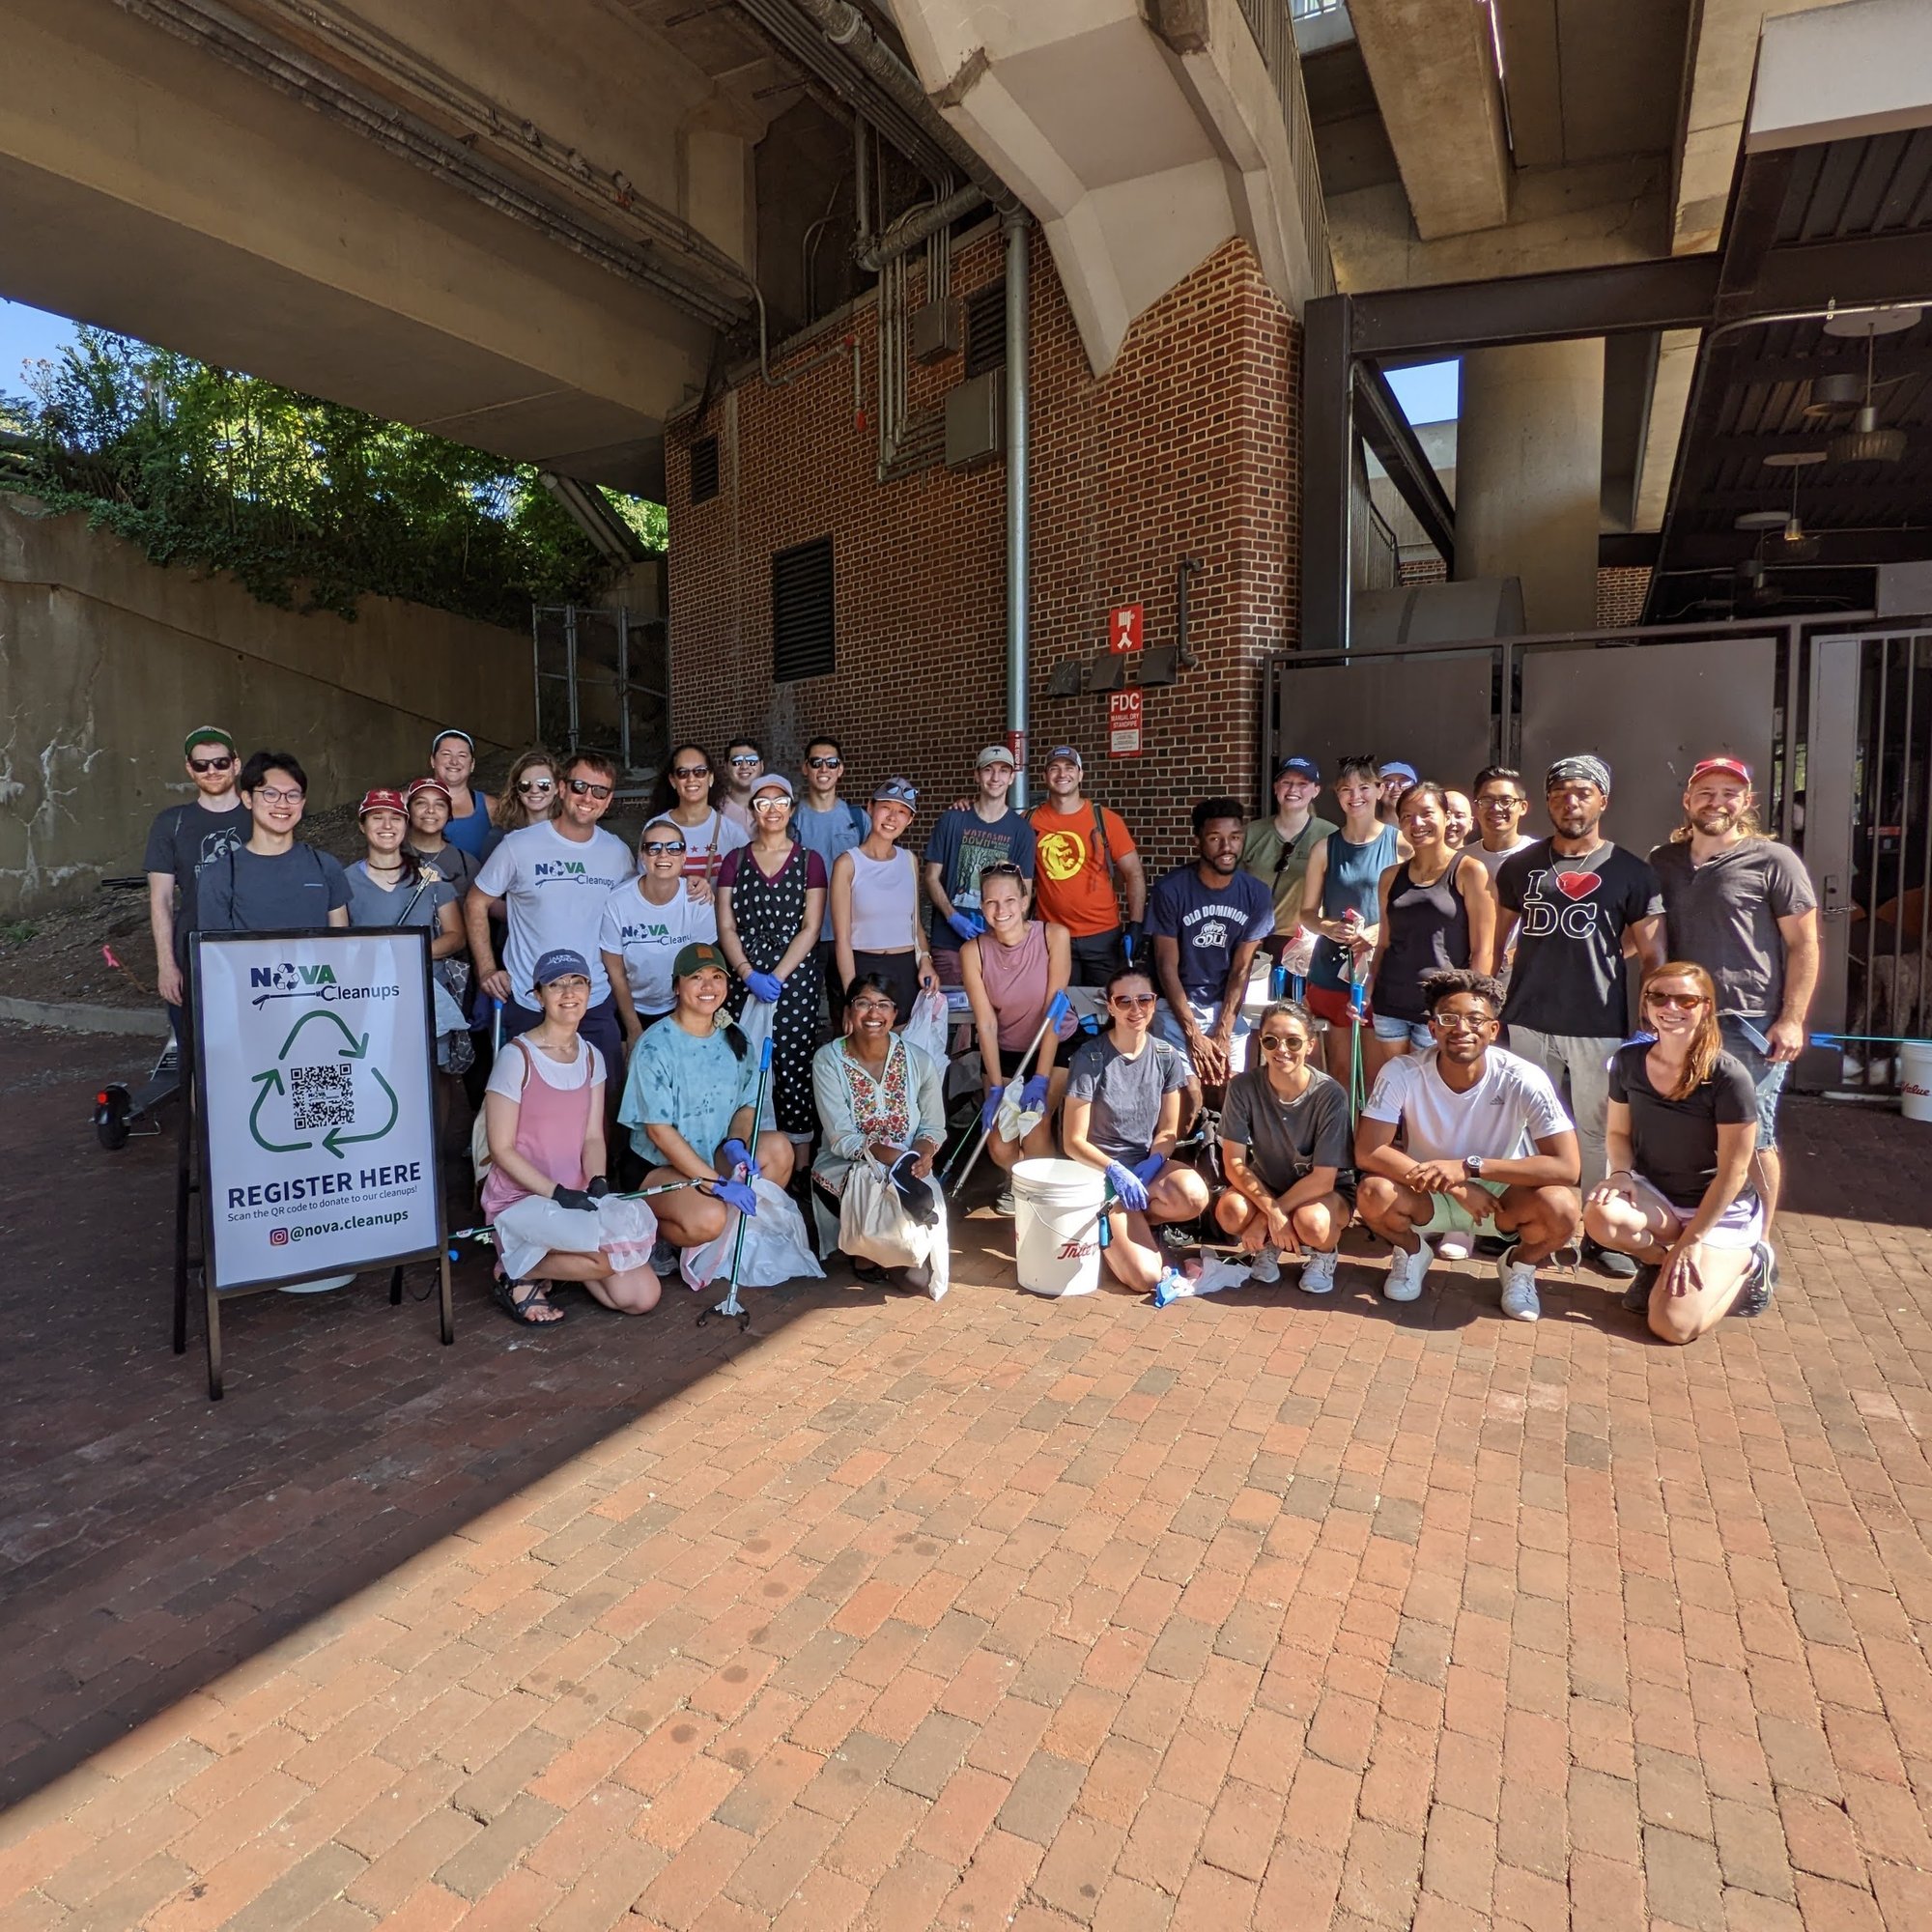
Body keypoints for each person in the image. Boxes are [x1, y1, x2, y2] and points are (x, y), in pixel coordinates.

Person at [1492, 755, 1665, 1279]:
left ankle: (1597, 1231)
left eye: (1583, 792)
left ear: (1603, 800)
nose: (1572, 802)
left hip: (1598, 1023)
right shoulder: (1521, 867)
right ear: (1547, 802)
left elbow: (1652, 952)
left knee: (1596, 1130)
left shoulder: (1632, 872)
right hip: (1526, 1016)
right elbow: (1496, 944)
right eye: (1561, 793)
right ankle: (1519, 1218)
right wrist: (1488, 1003)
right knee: (1522, 1124)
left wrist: (1650, 1017)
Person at [1650, 755, 1818, 1247]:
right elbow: (1646, 933)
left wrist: (1791, 1019)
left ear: (1746, 802)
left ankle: (1758, 1246)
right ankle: (1687, 1237)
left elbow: (1803, 944)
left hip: (1749, 1025)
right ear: (1687, 801)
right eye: (1705, 792)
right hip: (1680, 1019)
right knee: (1686, 1134)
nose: (1716, 802)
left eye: (1729, 793)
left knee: (1753, 1135)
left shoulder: (1774, 859)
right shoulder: (1664, 860)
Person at [1355, 970, 1582, 1321]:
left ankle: (1519, 1266)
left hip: (1501, 1195)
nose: (1461, 1029)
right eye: (1448, 1019)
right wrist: (1457, 1185)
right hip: (1425, 1185)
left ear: (1493, 1030)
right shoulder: (1402, 1071)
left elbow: (1567, 1167)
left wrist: (1470, 1168)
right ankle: (1413, 1252)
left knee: (1563, 1208)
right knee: (1373, 1193)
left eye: (1475, 1019)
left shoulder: (1524, 1077)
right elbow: (1368, 1151)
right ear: (1433, 1029)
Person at [1584, 961, 1773, 1343]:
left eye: (1685, 999)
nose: (1671, 1008)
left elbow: (1734, 1173)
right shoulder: (1628, 1062)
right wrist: (1621, 1173)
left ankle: (1751, 1265)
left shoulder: (1728, 1077)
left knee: (1671, 1326)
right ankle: (1658, 1263)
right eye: (1659, 997)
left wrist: (1692, 1240)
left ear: (1706, 1007)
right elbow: (1619, 1132)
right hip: (1660, 1197)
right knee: (1600, 1216)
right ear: (1646, 1004)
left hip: (1720, 1212)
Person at [481, 950, 660, 1324]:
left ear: (590, 991)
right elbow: (501, 1149)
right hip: (524, 1197)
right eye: (556, 984)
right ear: (538, 996)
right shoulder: (517, 1057)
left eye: (577, 983)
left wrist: (596, 1182)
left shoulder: (592, 1056)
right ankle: (516, 1269)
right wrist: (556, 1193)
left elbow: (593, 1137)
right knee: (607, 1258)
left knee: (642, 1296)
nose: (568, 993)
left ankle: (553, 1260)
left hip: (575, 1198)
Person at [618, 942, 794, 1260]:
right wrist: (715, 1183)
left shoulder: (735, 1036)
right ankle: (659, 1234)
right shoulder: (654, 1046)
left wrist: (736, 1143)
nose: (708, 987)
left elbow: (747, 1104)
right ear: (676, 986)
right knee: (709, 1218)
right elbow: (659, 1132)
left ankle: (727, 1244)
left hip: (712, 1151)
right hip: (658, 1167)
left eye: (717, 976)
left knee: (779, 1149)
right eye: (696, 977)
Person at [467, 750, 636, 1075]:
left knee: (602, 1100)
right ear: (562, 788)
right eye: (579, 787)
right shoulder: (518, 845)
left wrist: (692, 888)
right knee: (529, 1101)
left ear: (609, 800)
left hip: (595, 999)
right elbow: (476, 901)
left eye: (599, 791)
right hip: (531, 998)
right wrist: (487, 969)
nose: (588, 798)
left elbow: (635, 909)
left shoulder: (617, 853)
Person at [1061, 965, 1211, 1300]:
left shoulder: (1165, 1055)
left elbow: (1168, 1129)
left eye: (1144, 999)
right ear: (1110, 1006)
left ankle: (1136, 1223)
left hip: (1143, 1169)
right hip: (1101, 1175)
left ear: (1154, 1003)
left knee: (1194, 1195)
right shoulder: (1090, 1057)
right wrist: (1114, 1170)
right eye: (1124, 1001)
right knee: (1145, 1278)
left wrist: (1156, 1159)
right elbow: (1072, 1141)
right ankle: (1112, 1221)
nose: (1135, 1009)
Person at [810, 972, 947, 1282]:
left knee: (916, 1281)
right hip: (848, 1165)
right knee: (871, 1221)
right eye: (863, 1004)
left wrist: (921, 1154)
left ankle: (889, 1245)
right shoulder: (828, 1061)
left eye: (883, 1005)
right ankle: (863, 1247)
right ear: (848, 1012)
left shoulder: (918, 1060)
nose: (874, 1014)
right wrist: (892, 1158)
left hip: (907, 1168)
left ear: (895, 1014)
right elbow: (841, 1137)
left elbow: (933, 1126)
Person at [716, 774, 827, 1146]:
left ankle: (797, 1162)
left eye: (780, 802)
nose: (772, 810)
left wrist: (778, 976)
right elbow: (727, 927)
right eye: (763, 803)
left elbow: (810, 927)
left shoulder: (810, 862)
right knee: (741, 1062)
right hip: (742, 975)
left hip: (794, 977)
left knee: (792, 1064)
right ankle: (743, 1148)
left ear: (792, 808)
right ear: (752, 811)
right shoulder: (735, 861)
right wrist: (748, 974)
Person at [1213, 1000, 1350, 1293]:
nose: (1282, 1049)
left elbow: (1324, 1179)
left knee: (1312, 1223)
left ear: (1310, 1045)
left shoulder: (1330, 1095)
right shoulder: (1243, 1087)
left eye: (1293, 1040)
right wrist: (1272, 1211)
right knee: (1230, 1211)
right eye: (1271, 1040)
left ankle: (1324, 1254)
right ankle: (1268, 1247)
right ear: (1261, 1042)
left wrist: (1267, 1216)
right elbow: (1233, 1163)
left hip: (1323, 1192)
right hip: (1269, 1184)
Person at [959, 862, 1072, 1208]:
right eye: (991, 903)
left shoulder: (1054, 936)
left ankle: (1042, 1198)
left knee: (1035, 1127)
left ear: (1024, 902)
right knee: (1000, 1141)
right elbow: (987, 1025)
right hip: (1005, 1051)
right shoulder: (973, 951)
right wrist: (995, 1088)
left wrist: (1039, 1078)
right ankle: (1026, 1182)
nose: (1001, 910)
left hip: (1051, 1046)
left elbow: (1053, 1013)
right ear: (982, 908)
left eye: (1009, 900)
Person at [1147, 797, 1274, 1094]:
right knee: (1186, 1095)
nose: (1227, 848)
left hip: (1225, 1007)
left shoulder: (1256, 894)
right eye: (1215, 838)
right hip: (1177, 1005)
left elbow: (1241, 969)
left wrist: (1223, 1031)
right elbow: (1167, 968)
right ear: (1198, 841)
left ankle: (1219, 1141)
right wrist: (1193, 1034)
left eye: (1235, 838)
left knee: (1232, 1093)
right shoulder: (1171, 890)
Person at [1368, 781, 1496, 1055]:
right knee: (1398, 1088)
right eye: (1407, 816)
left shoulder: (1469, 871)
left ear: (1446, 816)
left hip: (1443, 1009)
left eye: (1426, 813)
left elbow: (1483, 950)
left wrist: (1470, 1007)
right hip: (1391, 1002)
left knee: (1433, 1091)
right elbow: (1384, 943)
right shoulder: (1390, 877)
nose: (1417, 823)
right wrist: (1368, 986)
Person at [1299, 754, 1405, 1082]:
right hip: (1332, 971)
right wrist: (1327, 926)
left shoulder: (1400, 843)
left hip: (1379, 972)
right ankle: (1340, 1134)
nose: (1355, 796)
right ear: (1337, 794)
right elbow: (1305, 913)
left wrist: (1376, 931)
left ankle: (1375, 1135)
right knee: (1339, 1070)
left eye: (1363, 787)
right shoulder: (1324, 848)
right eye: (1346, 789)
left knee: (1377, 1073)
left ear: (1378, 789)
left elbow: (1412, 907)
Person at [144, 725, 247, 1036]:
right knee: (197, 1057)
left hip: (253, 952)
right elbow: (160, 899)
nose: (212, 771)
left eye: (220, 762)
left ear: (236, 764)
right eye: (201, 765)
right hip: (195, 953)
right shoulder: (170, 823)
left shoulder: (263, 814)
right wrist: (166, 965)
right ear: (190, 768)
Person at [196, 751, 352, 934]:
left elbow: (341, 948)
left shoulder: (325, 867)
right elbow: (216, 955)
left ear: (302, 803)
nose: (282, 804)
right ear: (247, 799)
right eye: (270, 794)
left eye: (292, 795)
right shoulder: (220, 876)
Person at [1028, 747, 1146, 986]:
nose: (1062, 774)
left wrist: (1136, 923)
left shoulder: (1106, 820)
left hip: (1103, 936)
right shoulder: (1030, 821)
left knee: (1106, 1010)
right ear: (1045, 776)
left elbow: (1133, 873)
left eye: (1069, 768)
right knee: (1062, 1011)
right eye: (1054, 768)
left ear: (1080, 774)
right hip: (1053, 935)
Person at [923, 744, 1035, 985]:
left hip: (998, 944)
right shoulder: (952, 819)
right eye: (988, 770)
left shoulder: (1022, 831)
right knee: (955, 1017)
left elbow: (1024, 891)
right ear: (977, 775)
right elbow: (931, 877)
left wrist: (1004, 932)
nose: (995, 778)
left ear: (1012, 777)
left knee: (994, 1017)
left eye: (1003, 771)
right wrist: (952, 916)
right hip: (949, 943)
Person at [600, 817, 715, 1047]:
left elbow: (702, 969)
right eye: (653, 848)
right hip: (630, 1007)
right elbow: (616, 973)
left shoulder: (697, 900)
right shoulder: (617, 902)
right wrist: (633, 1030)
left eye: (673, 848)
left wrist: (686, 1022)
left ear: (684, 857)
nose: (663, 855)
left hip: (681, 1005)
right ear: (642, 856)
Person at [832, 778, 938, 1021]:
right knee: (866, 1049)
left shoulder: (909, 860)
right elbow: (842, 939)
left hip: (905, 968)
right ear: (870, 808)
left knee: (902, 1049)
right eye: (886, 807)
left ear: (910, 820)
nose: (892, 817)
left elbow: (915, 925)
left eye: (902, 812)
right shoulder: (848, 863)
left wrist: (925, 961)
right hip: (864, 968)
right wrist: (852, 998)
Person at [343, 789, 465, 958]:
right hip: (372, 982)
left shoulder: (430, 873)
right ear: (362, 826)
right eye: (377, 817)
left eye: (396, 818)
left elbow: (456, 936)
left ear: (406, 825)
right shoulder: (345, 880)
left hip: (426, 980)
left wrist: (412, 955)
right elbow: (339, 946)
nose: (387, 825)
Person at [794, 735, 870, 999]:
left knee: (848, 1007)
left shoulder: (858, 819)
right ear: (805, 768)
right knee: (801, 1011)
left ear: (841, 769)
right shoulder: (790, 820)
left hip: (849, 934)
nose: (823, 769)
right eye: (816, 762)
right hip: (802, 933)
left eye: (831, 762)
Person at [1241, 754, 1336, 958]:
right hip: (1250, 939)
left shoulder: (1330, 836)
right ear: (1276, 787)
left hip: (1301, 943)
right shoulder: (1251, 832)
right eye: (1287, 782)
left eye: (1303, 784)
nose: (1293, 790)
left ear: (1316, 791)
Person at [659, 742, 749, 911]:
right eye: (682, 773)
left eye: (699, 772)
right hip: (670, 928)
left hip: (717, 930)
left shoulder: (733, 832)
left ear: (711, 777)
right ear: (673, 780)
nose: (691, 779)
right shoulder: (655, 829)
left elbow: (747, 887)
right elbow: (645, 884)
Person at [402, 778, 482, 900]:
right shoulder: (390, 857)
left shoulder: (466, 863)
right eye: (421, 803)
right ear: (408, 811)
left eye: (439, 805)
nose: (430, 810)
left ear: (449, 814)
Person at [430, 729, 497, 860]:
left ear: (472, 765)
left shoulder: (491, 807)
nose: (454, 761)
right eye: (446, 754)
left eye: (462, 755)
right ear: (433, 760)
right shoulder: (406, 802)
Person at [1468, 766, 1535, 881]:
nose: (1496, 808)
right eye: (1487, 801)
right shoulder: (1462, 860)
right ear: (1476, 808)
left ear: (1523, 807)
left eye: (1506, 801)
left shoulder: (1539, 855)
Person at [496, 749, 560, 837]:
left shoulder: (571, 830)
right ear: (516, 789)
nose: (534, 791)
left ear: (557, 787)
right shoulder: (500, 834)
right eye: (525, 785)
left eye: (543, 784)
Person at [718, 737, 765, 835]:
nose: (744, 766)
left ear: (762, 766)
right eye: (736, 762)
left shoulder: (774, 808)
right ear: (726, 767)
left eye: (752, 761)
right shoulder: (714, 810)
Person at [1377, 759, 1418, 830]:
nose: (1396, 789)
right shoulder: (1369, 830)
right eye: (1388, 784)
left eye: (1404, 783)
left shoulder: (1423, 827)